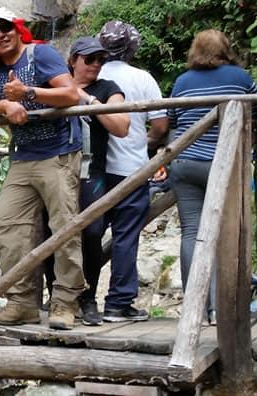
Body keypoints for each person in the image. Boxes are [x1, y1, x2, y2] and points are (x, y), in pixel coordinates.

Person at [0, 8, 84, 329]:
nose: (0, 35)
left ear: (17, 28)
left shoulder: (41, 53)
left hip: (58, 152)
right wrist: (6, 104)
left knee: (64, 228)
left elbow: (71, 94)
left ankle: (65, 304)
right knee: (8, 225)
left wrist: (27, 93)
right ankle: (21, 301)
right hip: (22, 156)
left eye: (5, 28)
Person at [167, 29, 257, 323]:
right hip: (223, 164)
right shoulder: (240, 78)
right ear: (226, 49)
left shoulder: (182, 82)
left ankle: (195, 310)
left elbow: (173, 120)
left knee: (192, 233)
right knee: (226, 233)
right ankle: (221, 310)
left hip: (185, 164)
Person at [94, 20, 169, 323]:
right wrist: (145, 142)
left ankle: (80, 299)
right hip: (131, 169)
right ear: (132, 47)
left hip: (93, 170)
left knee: (87, 233)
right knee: (126, 236)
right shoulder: (142, 78)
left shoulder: (89, 73)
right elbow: (161, 125)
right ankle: (118, 303)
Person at [64, 37, 130, 327]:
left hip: (93, 171)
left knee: (91, 232)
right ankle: (61, 295)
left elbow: (122, 126)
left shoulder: (107, 89)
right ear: (73, 59)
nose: (96, 65)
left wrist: (89, 100)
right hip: (56, 171)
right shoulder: (57, 85)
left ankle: (87, 297)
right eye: (90, 59)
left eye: (100, 60)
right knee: (52, 234)